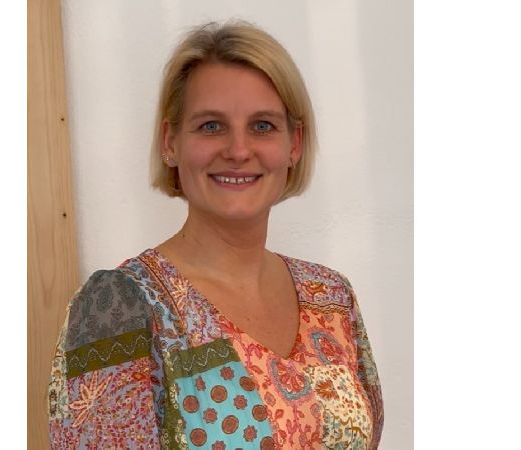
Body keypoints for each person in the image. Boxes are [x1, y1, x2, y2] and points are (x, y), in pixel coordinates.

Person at [48, 20, 383, 449]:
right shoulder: (120, 308)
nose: (238, 150)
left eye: (262, 126)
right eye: (211, 126)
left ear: (294, 145)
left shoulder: (332, 297)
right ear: (171, 142)